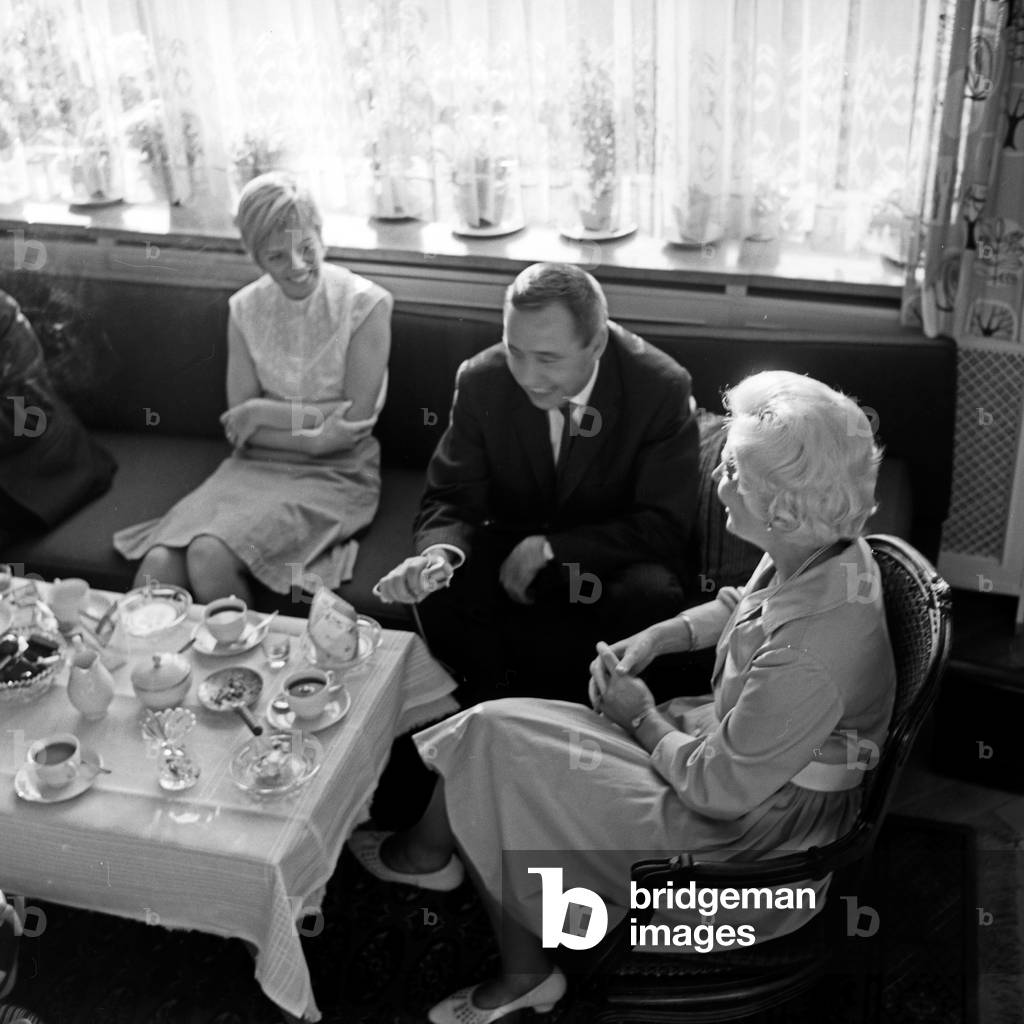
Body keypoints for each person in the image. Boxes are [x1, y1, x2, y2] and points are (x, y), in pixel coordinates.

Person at [350, 370, 896, 1024]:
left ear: (780, 510)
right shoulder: (822, 548)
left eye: (731, 471)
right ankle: (436, 858)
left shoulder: (814, 650)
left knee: (500, 756)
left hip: (745, 844)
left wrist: (636, 714)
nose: (716, 478)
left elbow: (717, 790)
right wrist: (660, 638)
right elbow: (743, 607)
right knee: (492, 731)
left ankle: (523, 966)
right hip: (722, 756)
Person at [374, 262, 699, 703]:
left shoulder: (661, 387)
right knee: (439, 588)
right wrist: (437, 556)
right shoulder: (480, 380)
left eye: (547, 358)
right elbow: (451, 495)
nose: (526, 376)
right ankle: (491, 715)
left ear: (597, 342)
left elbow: (664, 524)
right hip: (507, 544)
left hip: (611, 558)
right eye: (515, 351)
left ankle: (596, 718)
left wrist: (552, 548)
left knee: (651, 592)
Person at [114, 173, 391, 604]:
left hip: (338, 471)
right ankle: (158, 668)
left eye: (306, 248)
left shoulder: (367, 305)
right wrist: (308, 431)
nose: (296, 266)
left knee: (209, 555)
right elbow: (239, 426)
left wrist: (264, 411)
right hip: (253, 465)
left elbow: (349, 426)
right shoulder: (244, 308)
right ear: (255, 257)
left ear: (321, 234)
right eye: (277, 256)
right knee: (159, 565)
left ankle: (236, 672)